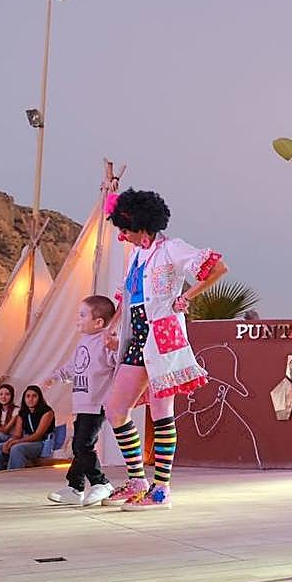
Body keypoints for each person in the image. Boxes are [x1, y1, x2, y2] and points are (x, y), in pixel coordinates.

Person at [98, 188, 227, 511]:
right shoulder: (137, 255)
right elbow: (127, 297)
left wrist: (188, 297)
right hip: (138, 334)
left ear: (140, 223)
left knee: (161, 413)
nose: (122, 235)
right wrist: (113, 326)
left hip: (163, 333)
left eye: (124, 229)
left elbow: (217, 268)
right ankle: (138, 481)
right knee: (116, 409)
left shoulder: (172, 249)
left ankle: (161, 489)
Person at [44, 295, 119, 506]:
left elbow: (118, 360)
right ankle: (75, 487)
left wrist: (115, 346)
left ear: (99, 322)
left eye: (82, 314)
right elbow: (73, 367)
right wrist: (56, 376)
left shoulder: (106, 340)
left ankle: (101, 483)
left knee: (82, 445)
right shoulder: (83, 342)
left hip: (97, 403)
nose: (77, 318)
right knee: (80, 446)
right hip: (82, 403)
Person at [0, 386, 54, 471]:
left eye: (34, 396)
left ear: (39, 397)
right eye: (28, 396)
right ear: (24, 398)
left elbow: (38, 435)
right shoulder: (22, 413)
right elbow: (17, 434)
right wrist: (9, 442)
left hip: (40, 443)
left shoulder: (47, 412)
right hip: (24, 439)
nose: (30, 399)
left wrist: (16, 442)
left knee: (17, 449)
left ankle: (12, 477)